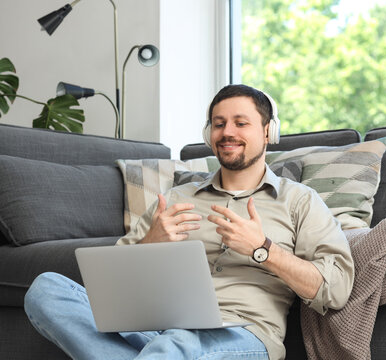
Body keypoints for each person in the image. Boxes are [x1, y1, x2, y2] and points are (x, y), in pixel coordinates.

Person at [24, 84, 354, 360]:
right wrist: (150, 244)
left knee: (177, 343)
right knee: (47, 289)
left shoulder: (299, 200)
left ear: (269, 131)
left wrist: (263, 249)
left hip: (242, 333)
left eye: (241, 123)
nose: (228, 132)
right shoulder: (178, 198)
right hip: (155, 327)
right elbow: (110, 287)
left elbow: (335, 288)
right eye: (219, 123)